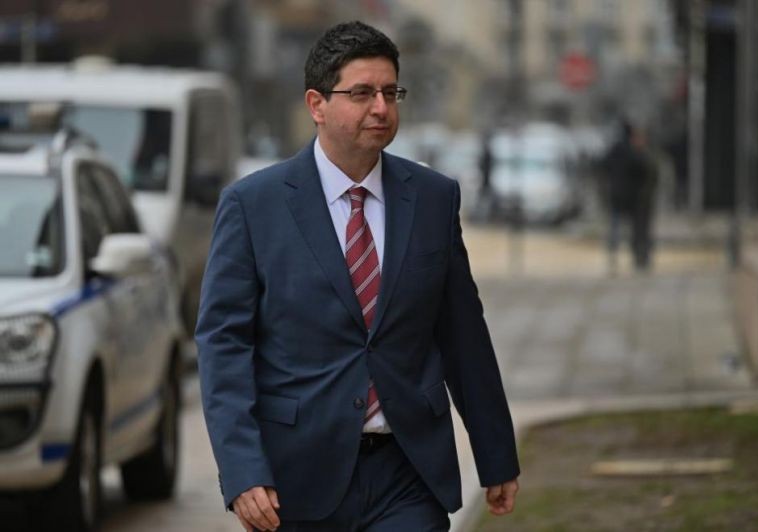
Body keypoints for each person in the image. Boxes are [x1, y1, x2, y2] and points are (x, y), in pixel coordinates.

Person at [195, 21, 520, 532]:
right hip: (297, 477)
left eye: (391, 92)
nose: (381, 108)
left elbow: (463, 336)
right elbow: (224, 345)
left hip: (407, 470)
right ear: (316, 104)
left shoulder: (433, 199)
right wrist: (242, 469)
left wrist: (495, 452)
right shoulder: (253, 206)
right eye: (363, 93)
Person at [600, 120, 657, 273]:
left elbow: (603, 165)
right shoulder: (633, 152)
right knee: (635, 229)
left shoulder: (615, 149)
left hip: (617, 196)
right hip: (632, 197)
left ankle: (613, 255)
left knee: (616, 228)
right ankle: (637, 257)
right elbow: (643, 169)